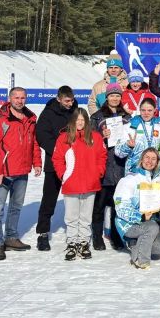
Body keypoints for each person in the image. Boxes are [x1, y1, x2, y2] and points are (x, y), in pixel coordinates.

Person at [0, 87, 42, 260]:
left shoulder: (30, 119)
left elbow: (34, 143)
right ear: (10, 98)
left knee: (16, 207)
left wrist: (37, 162)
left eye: (23, 98)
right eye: (16, 97)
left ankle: (11, 238)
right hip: (5, 172)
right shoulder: (0, 120)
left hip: (22, 171)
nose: (20, 101)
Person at [52, 108, 107, 261]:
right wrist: (64, 174)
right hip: (71, 183)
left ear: (87, 121)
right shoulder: (64, 138)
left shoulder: (95, 137)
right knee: (71, 216)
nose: (80, 123)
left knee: (85, 216)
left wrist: (98, 172)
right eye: (77, 120)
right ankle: (72, 243)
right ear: (73, 121)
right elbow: (57, 159)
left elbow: (102, 156)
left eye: (83, 120)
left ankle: (83, 242)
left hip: (90, 183)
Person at [35, 85, 78, 251]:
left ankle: (77, 232)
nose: (70, 103)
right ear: (59, 99)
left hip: (74, 163)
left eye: (72, 100)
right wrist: (59, 151)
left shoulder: (76, 111)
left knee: (76, 198)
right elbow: (41, 135)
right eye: (67, 101)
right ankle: (43, 233)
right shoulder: (48, 113)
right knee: (49, 199)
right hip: (54, 163)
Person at [89, 83, 131, 251]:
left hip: (121, 167)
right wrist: (101, 135)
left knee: (117, 205)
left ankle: (116, 236)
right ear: (106, 97)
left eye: (118, 95)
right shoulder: (97, 116)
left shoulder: (126, 116)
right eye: (112, 95)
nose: (115, 98)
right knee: (98, 205)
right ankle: (97, 236)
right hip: (104, 166)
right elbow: (89, 140)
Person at [113, 147, 160, 269]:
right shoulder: (130, 179)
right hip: (128, 223)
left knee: (159, 247)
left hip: (149, 223)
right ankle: (140, 260)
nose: (150, 161)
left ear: (157, 162)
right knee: (153, 227)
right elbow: (120, 206)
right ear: (141, 159)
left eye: (153, 158)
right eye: (147, 157)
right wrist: (140, 216)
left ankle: (134, 243)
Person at [116, 97, 160, 174]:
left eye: (149, 110)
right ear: (139, 110)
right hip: (133, 172)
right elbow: (118, 153)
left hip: (153, 171)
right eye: (143, 110)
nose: (146, 113)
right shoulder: (130, 126)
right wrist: (128, 146)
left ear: (155, 110)